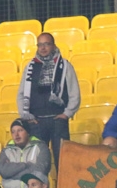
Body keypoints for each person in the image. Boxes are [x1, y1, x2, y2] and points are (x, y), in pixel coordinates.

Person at [17, 32, 80, 164]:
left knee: (63, 160)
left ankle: (63, 185)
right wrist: (25, 115)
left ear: (54, 46)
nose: (43, 48)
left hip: (58, 120)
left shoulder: (65, 66)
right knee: (38, 162)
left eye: (47, 44)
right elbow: (22, 94)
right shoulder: (30, 67)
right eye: (40, 45)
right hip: (36, 122)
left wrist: (66, 114)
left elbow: (74, 92)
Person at [0, 119, 53, 188]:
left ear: (28, 132)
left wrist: (11, 173)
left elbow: (40, 170)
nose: (16, 134)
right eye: (13, 131)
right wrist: (25, 165)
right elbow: (3, 171)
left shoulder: (41, 147)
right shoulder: (6, 151)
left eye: (20, 130)